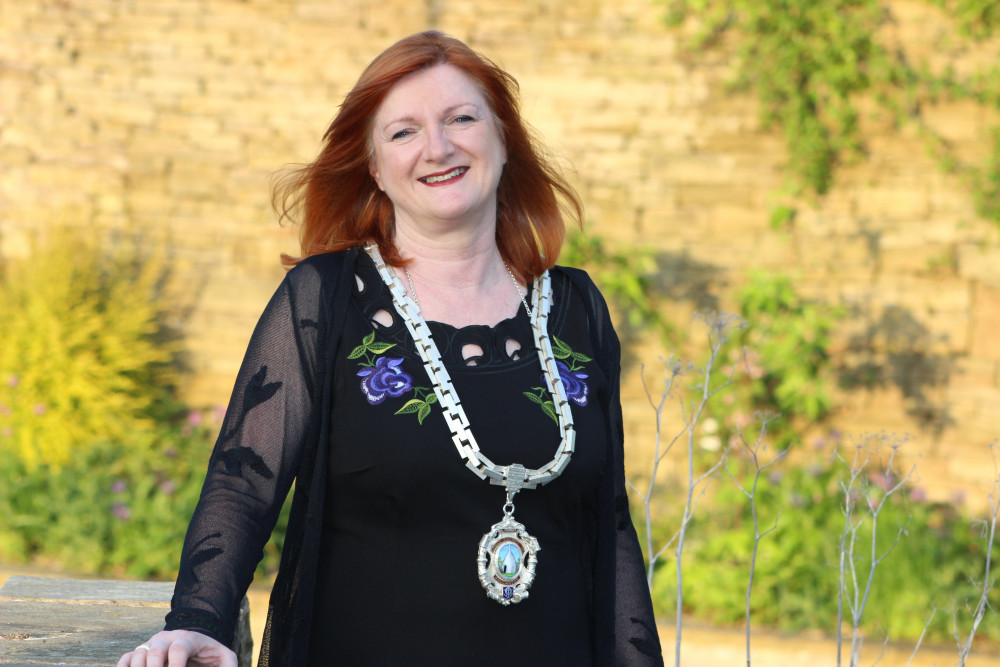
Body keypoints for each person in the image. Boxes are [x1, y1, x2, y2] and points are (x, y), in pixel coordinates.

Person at [119, 31, 662, 667]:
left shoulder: (577, 310)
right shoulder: (324, 301)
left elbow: (610, 524)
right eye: (403, 132)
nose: (438, 147)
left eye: (461, 118)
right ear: (374, 167)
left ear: (504, 138)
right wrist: (199, 621)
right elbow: (244, 483)